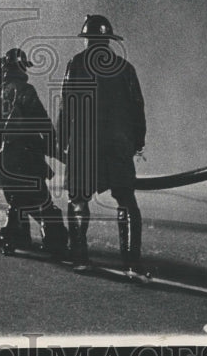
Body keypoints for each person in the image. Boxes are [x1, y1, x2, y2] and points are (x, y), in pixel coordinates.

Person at [56, 14, 149, 281]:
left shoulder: (75, 65)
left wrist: (63, 143)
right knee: (126, 200)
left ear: (86, 39)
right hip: (118, 145)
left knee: (78, 200)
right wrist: (137, 142)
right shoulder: (125, 67)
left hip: (83, 144)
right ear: (109, 39)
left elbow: (66, 107)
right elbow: (137, 108)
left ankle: (80, 258)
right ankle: (132, 263)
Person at [0, 48, 68, 257]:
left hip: (4, 158)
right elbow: (41, 121)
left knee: (17, 201)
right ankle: (56, 244)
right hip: (26, 157)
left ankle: (10, 240)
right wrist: (56, 147)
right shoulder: (25, 90)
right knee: (44, 201)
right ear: (22, 67)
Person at [0, 57, 32, 248]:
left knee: (12, 192)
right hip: (18, 148)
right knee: (22, 193)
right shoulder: (22, 90)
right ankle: (16, 234)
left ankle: (20, 234)